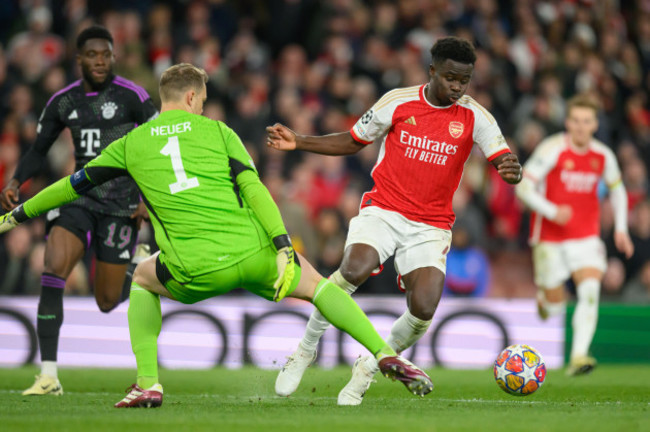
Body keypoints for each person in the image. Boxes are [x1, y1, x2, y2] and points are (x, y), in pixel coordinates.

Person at [0, 63, 433, 408]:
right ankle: (383, 352)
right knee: (319, 285)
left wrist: (18, 215)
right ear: (191, 97)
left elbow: (71, 185)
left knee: (144, 278)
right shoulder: (220, 131)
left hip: (194, 270)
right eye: (202, 101)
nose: (203, 108)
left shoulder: (130, 143)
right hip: (254, 254)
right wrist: (283, 246)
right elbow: (254, 189)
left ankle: (148, 383)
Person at [266, 36, 522, 405]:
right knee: (354, 269)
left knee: (424, 307)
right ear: (432, 71)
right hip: (384, 210)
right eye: (450, 77)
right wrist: (300, 141)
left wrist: (510, 170)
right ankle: (305, 350)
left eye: (464, 80)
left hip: (431, 226)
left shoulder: (474, 116)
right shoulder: (398, 102)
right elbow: (355, 140)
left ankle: (368, 367)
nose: (457, 87)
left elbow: (502, 157)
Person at [0, 25, 158, 395]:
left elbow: (158, 148)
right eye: (93, 55)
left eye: (106, 54)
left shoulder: (133, 97)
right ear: (79, 59)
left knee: (106, 302)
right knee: (53, 266)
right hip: (79, 197)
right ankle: (49, 376)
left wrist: (147, 199)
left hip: (121, 205)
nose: (100, 61)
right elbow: (39, 150)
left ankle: (137, 263)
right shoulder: (63, 102)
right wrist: (14, 182)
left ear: (114, 57)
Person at [515, 94, 634, 376]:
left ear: (595, 124)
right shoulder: (552, 149)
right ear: (568, 122)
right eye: (576, 121)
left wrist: (620, 228)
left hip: (586, 235)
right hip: (550, 238)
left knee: (590, 289)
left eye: (587, 121)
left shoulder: (603, 155)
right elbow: (523, 187)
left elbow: (617, 190)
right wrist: (552, 210)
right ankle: (546, 299)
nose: (581, 127)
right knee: (555, 307)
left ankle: (579, 356)